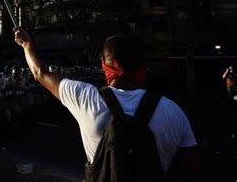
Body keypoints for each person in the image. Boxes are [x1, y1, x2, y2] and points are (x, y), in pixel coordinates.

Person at [13, 27, 198, 181]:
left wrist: (27, 45)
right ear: (143, 66)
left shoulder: (85, 97)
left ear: (106, 65)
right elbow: (189, 171)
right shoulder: (174, 112)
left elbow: (40, 73)